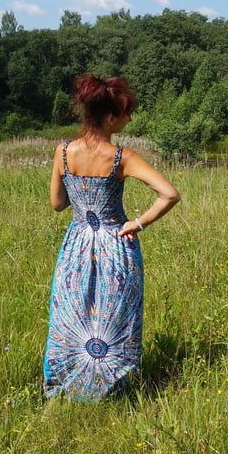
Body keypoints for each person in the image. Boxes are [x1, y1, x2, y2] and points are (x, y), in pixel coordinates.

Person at [42, 73, 182, 401]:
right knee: (114, 314)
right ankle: (111, 390)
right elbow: (170, 194)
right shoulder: (123, 157)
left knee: (72, 313)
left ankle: (66, 388)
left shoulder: (62, 151)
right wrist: (139, 222)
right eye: (125, 113)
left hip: (77, 245)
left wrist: (79, 196)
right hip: (116, 245)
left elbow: (57, 204)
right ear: (108, 117)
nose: (129, 118)